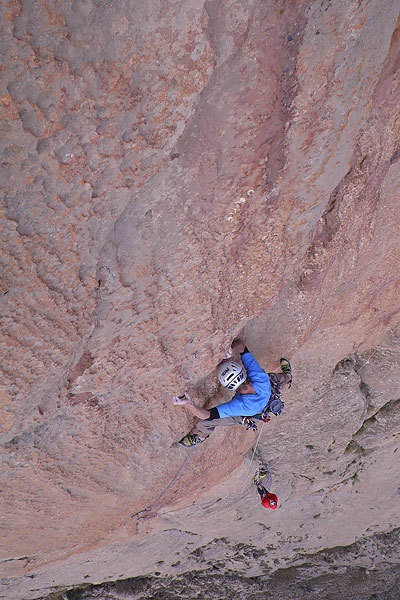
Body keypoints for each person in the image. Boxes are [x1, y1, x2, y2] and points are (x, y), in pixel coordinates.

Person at [173, 339, 292, 447]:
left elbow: (207, 415)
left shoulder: (240, 405)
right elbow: (242, 347)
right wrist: (231, 352)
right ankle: (287, 376)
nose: (248, 385)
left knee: (205, 423)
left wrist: (189, 405)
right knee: (275, 379)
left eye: (244, 387)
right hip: (268, 391)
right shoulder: (260, 380)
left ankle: (200, 437)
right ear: (245, 376)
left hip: (249, 412)